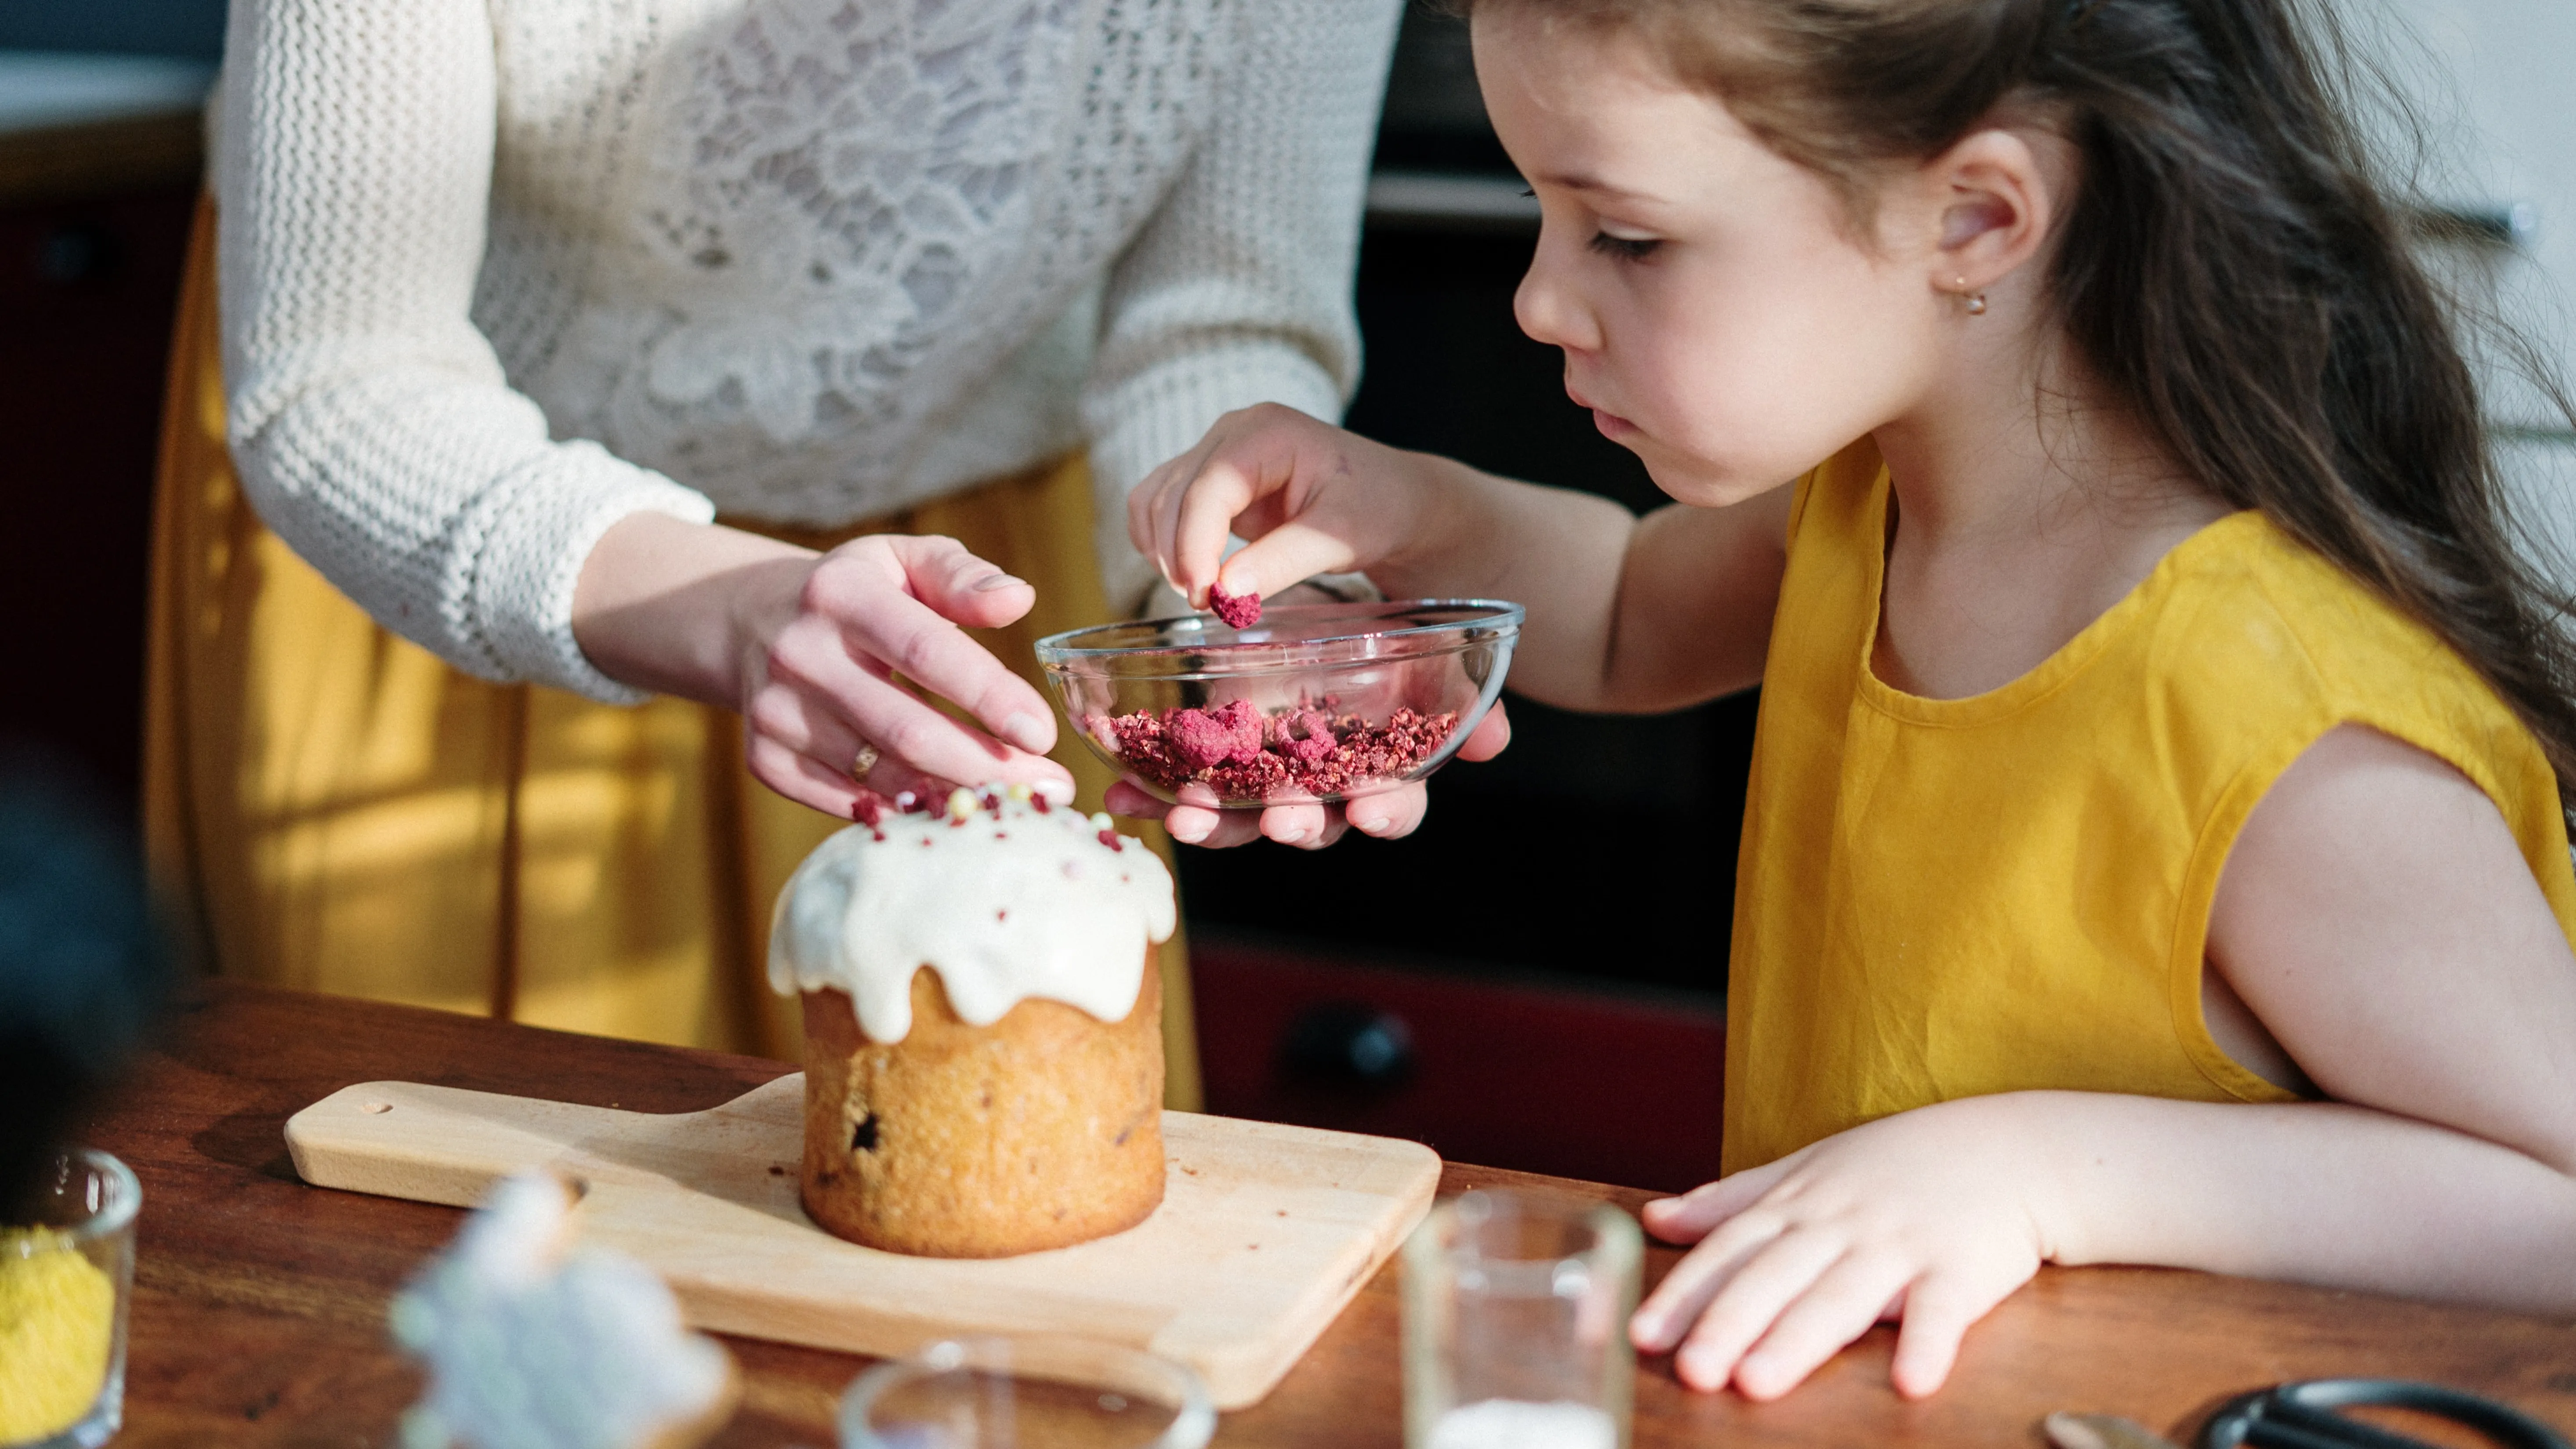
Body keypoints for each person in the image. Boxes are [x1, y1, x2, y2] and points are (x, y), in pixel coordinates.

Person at [1118, 0, 2576, 1400]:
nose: (1540, 297)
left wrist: (2037, 1175)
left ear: (1974, 219)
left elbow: (2555, 1205)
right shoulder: (1863, 503)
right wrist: (1396, 502)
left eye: (1626, 234)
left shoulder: (2280, 720)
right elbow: (1624, 614)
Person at [145, 0, 1404, 1090]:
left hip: (960, 628)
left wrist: (1240, 602)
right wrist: (735, 604)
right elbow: (341, 378)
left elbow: (1216, 318)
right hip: (472, 566)